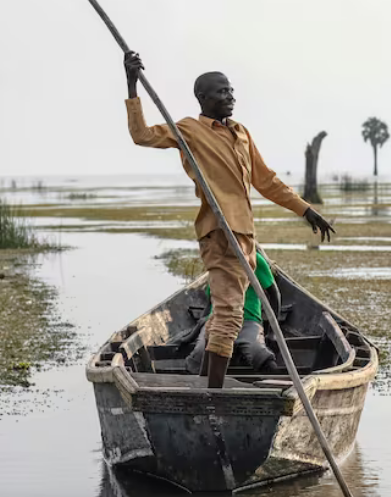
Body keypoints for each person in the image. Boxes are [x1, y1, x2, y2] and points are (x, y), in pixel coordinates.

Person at [123, 52, 335, 388]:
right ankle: (213, 393)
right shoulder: (189, 131)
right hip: (220, 233)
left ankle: (207, 385)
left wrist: (306, 210)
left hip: (245, 234)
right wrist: (132, 85)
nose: (230, 96)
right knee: (228, 314)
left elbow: (267, 182)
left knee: (228, 313)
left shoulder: (240, 133)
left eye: (231, 90)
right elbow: (142, 135)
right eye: (222, 92)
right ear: (203, 98)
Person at [187, 251, 280, 374]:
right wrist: (197, 329)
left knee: (259, 354)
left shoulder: (254, 259)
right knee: (198, 355)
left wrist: (273, 332)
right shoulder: (216, 259)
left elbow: (274, 295)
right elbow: (211, 301)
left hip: (248, 320)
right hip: (217, 320)